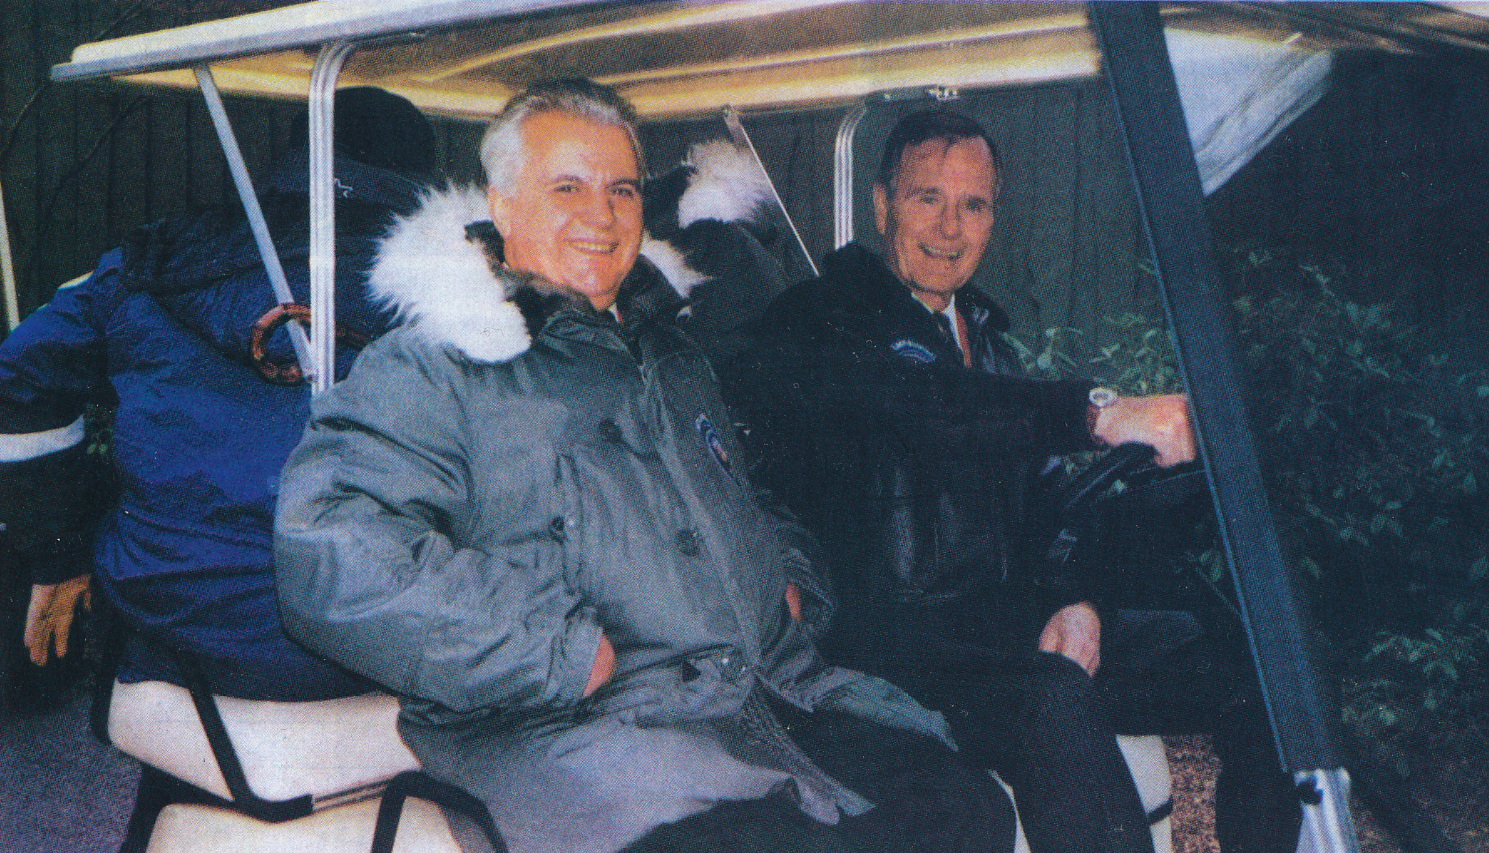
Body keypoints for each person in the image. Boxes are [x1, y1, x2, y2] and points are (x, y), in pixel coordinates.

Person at [272, 78, 1015, 853]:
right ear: (503, 204)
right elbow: (327, 546)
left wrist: (787, 576)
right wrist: (547, 646)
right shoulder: (437, 365)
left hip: (763, 698)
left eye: (621, 190)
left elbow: (749, 491)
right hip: (587, 730)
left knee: (965, 805)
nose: (600, 215)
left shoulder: (669, 353)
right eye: (568, 187)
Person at [726, 108, 1300, 853]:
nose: (949, 228)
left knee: (1255, 660)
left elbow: (1052, 511)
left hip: (999, 632)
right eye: (927, 198)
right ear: (881, 204)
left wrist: (1078, 601)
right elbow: (927, 408)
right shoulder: (819, 323)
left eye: (973, 205)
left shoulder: (990, 347)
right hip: (890, 650)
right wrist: (1100, 413)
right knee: (1051, 696)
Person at [1, 87, 437, 701]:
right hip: (357, 637)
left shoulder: (149, 258)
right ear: (421, 181)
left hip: (165, 619)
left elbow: (17, 379)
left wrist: (59, 551)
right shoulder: (461, 295)